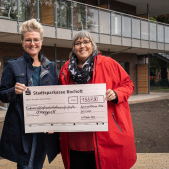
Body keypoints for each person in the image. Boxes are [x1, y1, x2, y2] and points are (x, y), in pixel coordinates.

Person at [58, 30, 137, 169]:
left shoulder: (108, 63)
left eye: (86, 42)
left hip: (104, 136)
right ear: (73, 48)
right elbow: (60, 97)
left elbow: (128, 84)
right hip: (75, 139)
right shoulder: (66, 69)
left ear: (92, 45)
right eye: (78, 43)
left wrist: (116, 93)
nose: (82, 46)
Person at [0, 18, 60, 169]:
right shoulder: (13, 65)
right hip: (22, 128)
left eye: (36, 40)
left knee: (37, 164)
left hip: (44, 127)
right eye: (28, 40)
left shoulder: (51, 67)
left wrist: (55, 123)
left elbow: (57, 97)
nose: (32, 43)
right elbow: (3, 95)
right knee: (26, 165)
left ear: (41, 42)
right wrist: (14, 91)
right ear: (22, 42)